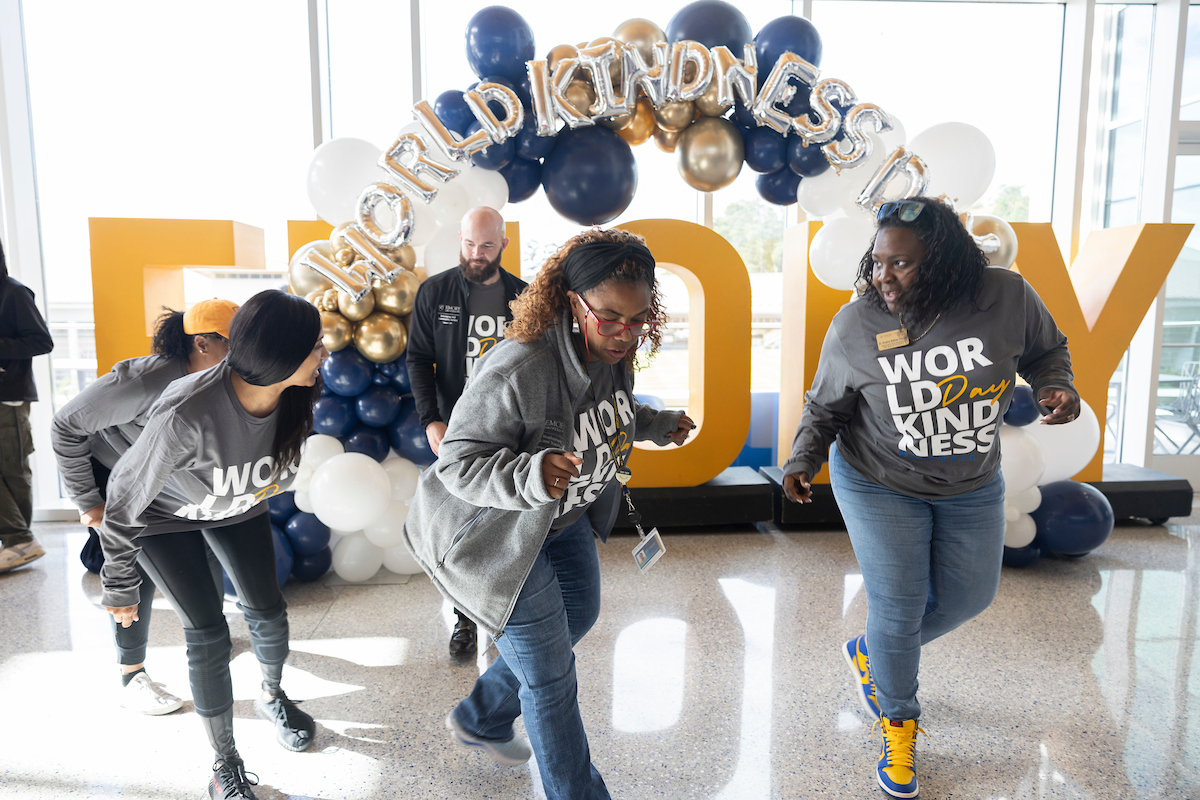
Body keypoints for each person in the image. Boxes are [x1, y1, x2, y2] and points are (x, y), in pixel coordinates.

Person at [781, 197, 1079, 799]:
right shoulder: (858, 323)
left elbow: (1048, 350)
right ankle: (899, 724)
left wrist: (1056, 385)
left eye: (902, 264)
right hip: (877, 478)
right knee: (899, 605)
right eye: (879, 262)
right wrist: (803, 459)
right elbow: (827, 404)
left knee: (972, 596)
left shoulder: (1007, 297)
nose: (883, 277)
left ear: (943, 262)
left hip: (971, 481)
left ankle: (874, 653)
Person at [403, 228, 695, 800]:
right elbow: (456, 464)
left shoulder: (613, 350)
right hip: (499, 535)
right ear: (571, 300)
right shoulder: (521, 367)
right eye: (609, 317)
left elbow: (611, 408)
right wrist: (527, 475)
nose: (625, 334)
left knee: (578, 616)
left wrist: (655, 425)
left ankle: (482, 717)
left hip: (562, 523)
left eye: (638, 320)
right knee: (552, 681)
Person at [97, 290, 328, 800]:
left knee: (268, 611)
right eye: (315, 346)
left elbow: (269, 473)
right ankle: (225, 762)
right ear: (281, 356)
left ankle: (273, 695)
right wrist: (118, 583)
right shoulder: (187, 412)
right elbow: (124, 496)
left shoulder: (298, 395)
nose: (324, 354)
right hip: (167, 517)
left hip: (237, 503)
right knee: (208, 633)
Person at [51, 299, 237, 715]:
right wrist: (88, 501)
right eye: (234, 342)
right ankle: (131, 675)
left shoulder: (215, 376)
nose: (242, 353)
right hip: (113, 477)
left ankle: (213, 637)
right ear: (203, 343)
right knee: (132, 573)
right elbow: (65, 424)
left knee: (204, 551)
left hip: (162, 481)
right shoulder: (145, 380)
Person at [406, 205, 528, 659]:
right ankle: (462, 619)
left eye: (487, 246)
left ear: (504, 245)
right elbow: (419, 359)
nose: (477, 255)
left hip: (511, 429)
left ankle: (506, 614)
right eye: (470, 244)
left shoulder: (524, 297)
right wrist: (430, 419)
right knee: (456, 528)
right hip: (456, 431)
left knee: (504, 525)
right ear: (460, 239)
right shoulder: (435, 293)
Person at [0, 238, 54, 574]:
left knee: (13, 471)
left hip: (9, 397)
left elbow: (41, 341)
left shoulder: (14, 292)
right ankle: (18, 540)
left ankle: (20, 542)